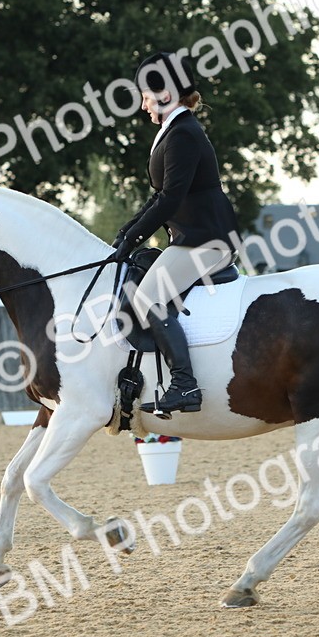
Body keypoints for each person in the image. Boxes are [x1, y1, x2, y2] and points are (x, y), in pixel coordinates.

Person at [110, 51, 240, 416]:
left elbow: (170, 198)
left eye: (147, 97)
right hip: (195, 235)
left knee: (146, 296)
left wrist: (134, 238)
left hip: (206, 239)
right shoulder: (175, 130)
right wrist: (125, 234)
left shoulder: (183, 134)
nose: (143, 105)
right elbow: (159, 196)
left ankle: (185, 384)